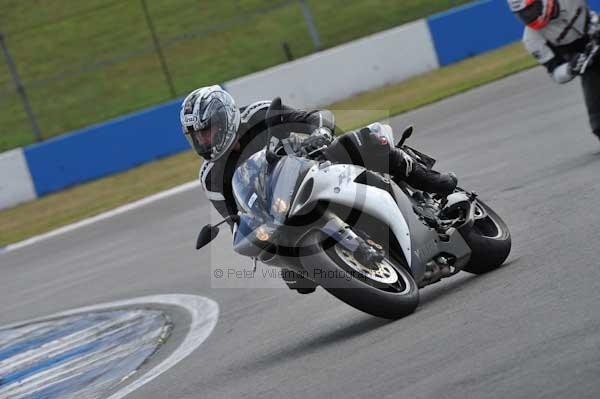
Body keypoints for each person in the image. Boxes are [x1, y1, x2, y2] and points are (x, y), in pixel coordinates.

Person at [180, 85, 457, 293]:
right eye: (197, 137)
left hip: (314, 165)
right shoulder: (210, 177)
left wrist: (320, 134)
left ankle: (431, 181)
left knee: (368, 140)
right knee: (297, 281)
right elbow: (235, 218)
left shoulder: (257, 114)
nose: (204, 141)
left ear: (224, 117)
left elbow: (313, 116)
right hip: (279, 210)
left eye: (207, 131)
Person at [508, 0, 600, 140]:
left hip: (595, 32)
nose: (527, 16)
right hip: (584, 61)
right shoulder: (531, 39)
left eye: (530, 9)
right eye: (521, 14)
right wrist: (571, 68)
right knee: (598, 124)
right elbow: (555, 73)